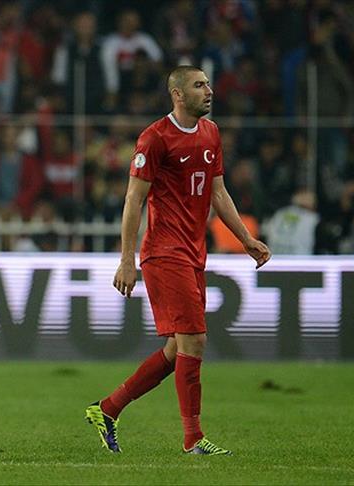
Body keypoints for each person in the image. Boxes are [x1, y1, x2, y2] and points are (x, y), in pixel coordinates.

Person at [85, 66, 271, 456]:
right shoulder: (155, 138)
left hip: (194, 252)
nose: (209, 90)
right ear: (178, 95)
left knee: (176, 350)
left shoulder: (211, 133)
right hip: (165, 252)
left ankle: (107, 409)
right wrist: (127, 259)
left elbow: (219, 193)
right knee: (195, 340)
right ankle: (193, 439)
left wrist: (246, 239)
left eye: (208, 84)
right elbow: (133, 199)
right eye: (199, 85)